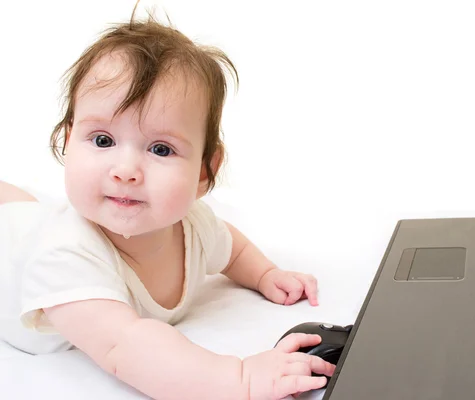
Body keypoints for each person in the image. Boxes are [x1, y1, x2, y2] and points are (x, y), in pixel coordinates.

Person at [0, 6, 335, 400]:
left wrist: (264, 273)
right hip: (17, 247)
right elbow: (127, 346)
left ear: (205, 172)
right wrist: (238, 380)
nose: (126, 170)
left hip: (28, 223)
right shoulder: (63, 257)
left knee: (24, 211)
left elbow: (231, 247)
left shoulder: (193, 227)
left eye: (161, 148)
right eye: (103, 140)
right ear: (68, 140)